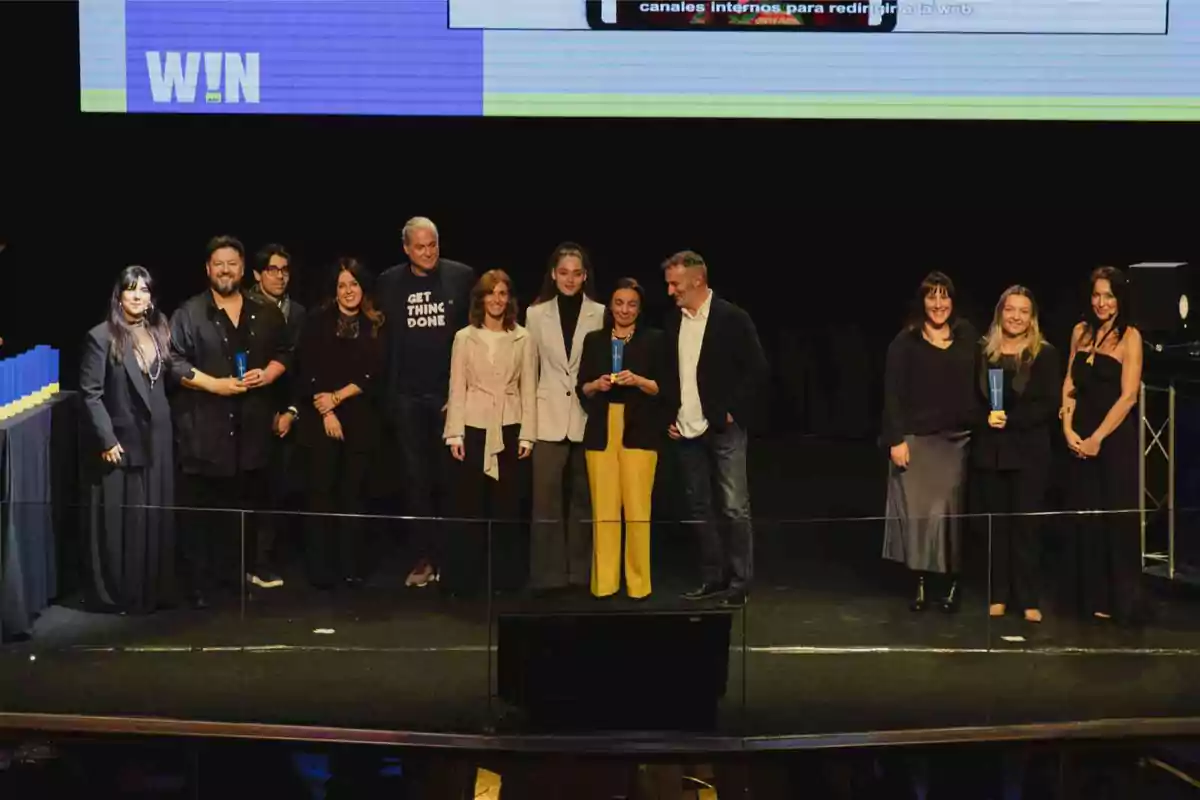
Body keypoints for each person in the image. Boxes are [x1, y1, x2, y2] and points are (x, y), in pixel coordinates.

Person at [169, 235, 292, 608]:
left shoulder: (265, 310)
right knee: (204, 514)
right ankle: (201, 587)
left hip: (252, 431)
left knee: (244, 511)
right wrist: (215, 385)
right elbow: (174, 363)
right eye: (218, 264)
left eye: (232, 263)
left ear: (242, 269)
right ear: (208, 269)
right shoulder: (189, 313)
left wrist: (268, 375)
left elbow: (286, 352)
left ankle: (235, 579)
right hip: (205, 431)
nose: (225, 270)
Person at [79, 266, 188, 613]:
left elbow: (170, 377)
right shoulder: (101, 337)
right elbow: (90, 394)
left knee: (155, 515)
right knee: (127, 521)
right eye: (131, 289)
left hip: (158, 436)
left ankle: (154, 590)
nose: (138, 296)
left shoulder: (160, 330)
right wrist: (107, 439)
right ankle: (124, 593)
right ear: (119, 295)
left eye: (144, 290)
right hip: (122, 442)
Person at [662, 250, 768, 605]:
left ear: (697, 280)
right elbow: (668, 374)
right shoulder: (673, 321)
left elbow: (756, 370)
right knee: (698, 507)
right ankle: (713, 577)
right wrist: (670, 416)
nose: (670, 290)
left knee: (734, 505)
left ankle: (740, 582)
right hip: (686, 430)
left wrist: (730, 413)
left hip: (722, 429)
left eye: (675, 283)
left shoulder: (732, 318)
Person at [376, 217, 475, 589]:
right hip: (406, 398)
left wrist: (460, 395)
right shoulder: (388, 283)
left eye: (433, 244)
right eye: (420, 246)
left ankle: (452, 560)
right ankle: (423, 557)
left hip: (450, 397)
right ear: (406, 249)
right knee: (414, 482)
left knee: (451, 480)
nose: (428, 252)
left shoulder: (461, 277)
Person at [881, 271, 978, 613]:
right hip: (916, 440)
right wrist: (895, 439)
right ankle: (920, 582)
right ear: (922, 302)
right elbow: (891, 394)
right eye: (932, 297)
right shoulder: (905, 342)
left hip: (955, 441)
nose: (939, 304)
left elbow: (989, 375)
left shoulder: (967, 337)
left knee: (946, 513)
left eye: (944, 296)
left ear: (953, 300)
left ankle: (950, 582)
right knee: (920, 516)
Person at [290, 258, 385, 589]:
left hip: (361, 419)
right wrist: (327, 411)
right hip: (320, 419)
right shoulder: (316, 322)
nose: (349, 291)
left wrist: (339, 398)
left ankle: (351, 567)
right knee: (321, 494)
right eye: (343, 285)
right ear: (334, 290)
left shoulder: (376, 323)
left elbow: (376, 372)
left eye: (354, 284)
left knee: (354, 495)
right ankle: (321, 570)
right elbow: (305, 368)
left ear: (363, 287)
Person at [443, 270, 537, 595]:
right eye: (491, 293)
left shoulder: (523, 338)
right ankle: (468, 581)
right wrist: (454, 433)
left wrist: (528, 434)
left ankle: (505, 580)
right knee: (470, 507)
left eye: (502, 293)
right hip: (472, 426)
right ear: (480, 298)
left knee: (507, 507)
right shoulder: (464, 337)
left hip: (510, 426)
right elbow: (457, 387)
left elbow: (529, 388)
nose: (497, 300)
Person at [973, 286, 1061, 624]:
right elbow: (971, 397)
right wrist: (985, 418)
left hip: (1029, 451)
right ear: (1000, 312)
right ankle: (998, 594)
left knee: (1027, 528)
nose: (1016, 317)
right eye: (1010, 309)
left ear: (1032, 317)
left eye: (1024, 311)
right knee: (997, 527)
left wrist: (1012, 419)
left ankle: (1028, 597)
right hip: (991, 450)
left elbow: (1047, 403)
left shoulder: (1044, 354)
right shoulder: (984, 352)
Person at [1061, 266, 1143, 624]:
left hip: (1113, 441)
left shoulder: (1131, 337)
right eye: (1096, 294)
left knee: (1114, 518)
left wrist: (1097, 438)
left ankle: (1119, 600)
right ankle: (1088, 598)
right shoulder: (1080, 332)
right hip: (1079, 439)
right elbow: (1069, 383)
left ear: (1120, 299)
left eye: (1109, 295)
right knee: (1085, 517)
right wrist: (1067, 428)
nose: (1101, 302)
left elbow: (1128, 397)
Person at [577, 279, 668, 599]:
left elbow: (664, 388)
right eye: (618, 303)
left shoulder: (655, 340)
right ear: (610, 306)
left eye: (631, 304)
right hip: (602, 430)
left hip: (640, 431)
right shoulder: (594, 341)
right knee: (604, 512)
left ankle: (638, 585)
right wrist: (596, 385)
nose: (624, 309)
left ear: (639, 309)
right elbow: (582, 388)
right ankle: (605, 583)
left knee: (638, 511)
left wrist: (639, 380)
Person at [524, 243, 606, 594]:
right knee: (545, 498)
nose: (570, 279)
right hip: (547, 413)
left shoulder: (600, 312)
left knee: (585, 498)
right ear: (553, 275)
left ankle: (582, 573)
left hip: (587, 416)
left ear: (585, 275)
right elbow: (530, 371)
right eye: (563, 272)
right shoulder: (535, 314)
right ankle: (548, 576)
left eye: (576, 273)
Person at [247, 243, 307, 589]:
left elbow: (304, 368)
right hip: (252, 412)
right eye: (273, 269)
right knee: (250, 492)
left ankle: (268, 560)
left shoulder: (299, 313)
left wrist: (291, 412)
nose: (280, 276)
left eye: (285, 269)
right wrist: (268, 413)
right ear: (257, 274)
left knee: (281, 490)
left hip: (292, 411)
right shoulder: (244, 308)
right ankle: (250, 562)